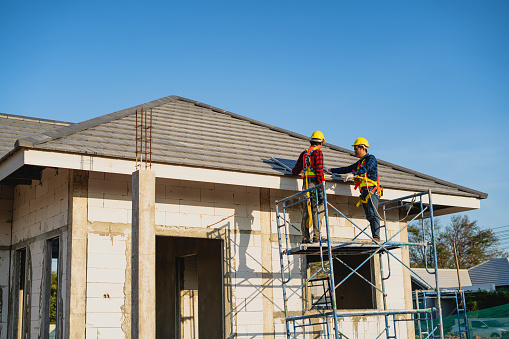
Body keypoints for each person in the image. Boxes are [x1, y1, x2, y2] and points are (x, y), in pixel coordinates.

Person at [329, 137, 382, 242]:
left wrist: (354, 174)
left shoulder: (371, 158)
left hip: (372, 190)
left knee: (373, 214)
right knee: (369, 216)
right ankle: (375, 237)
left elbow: (366, 168)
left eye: (356, 148)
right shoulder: (359, 163)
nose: (354, 151)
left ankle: (376, 237)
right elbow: (347, 168)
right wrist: (331, 170)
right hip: (364, 191)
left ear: (363, 148)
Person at [292, 131, 325, 243]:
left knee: (307, 210)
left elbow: (296, 170)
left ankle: (305, 237)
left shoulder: (304, 154)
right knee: (316, 209)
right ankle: (316, 236)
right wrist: (322, 186)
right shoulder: (318, 153)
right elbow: (319, 171)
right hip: (315, 184)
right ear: (321, 143)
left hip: (305, 185)